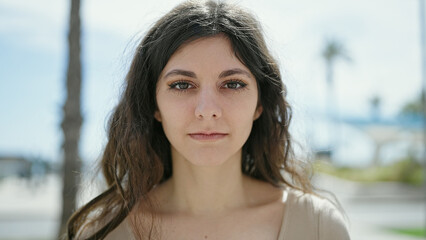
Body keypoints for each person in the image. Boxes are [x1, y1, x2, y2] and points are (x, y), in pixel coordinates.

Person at [66, 1, 350, 239]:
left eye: (233, 84)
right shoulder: (105, 232)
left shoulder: (319, 227)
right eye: (181, 85)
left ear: (259, 104)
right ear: (153, 105)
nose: (207, 109)